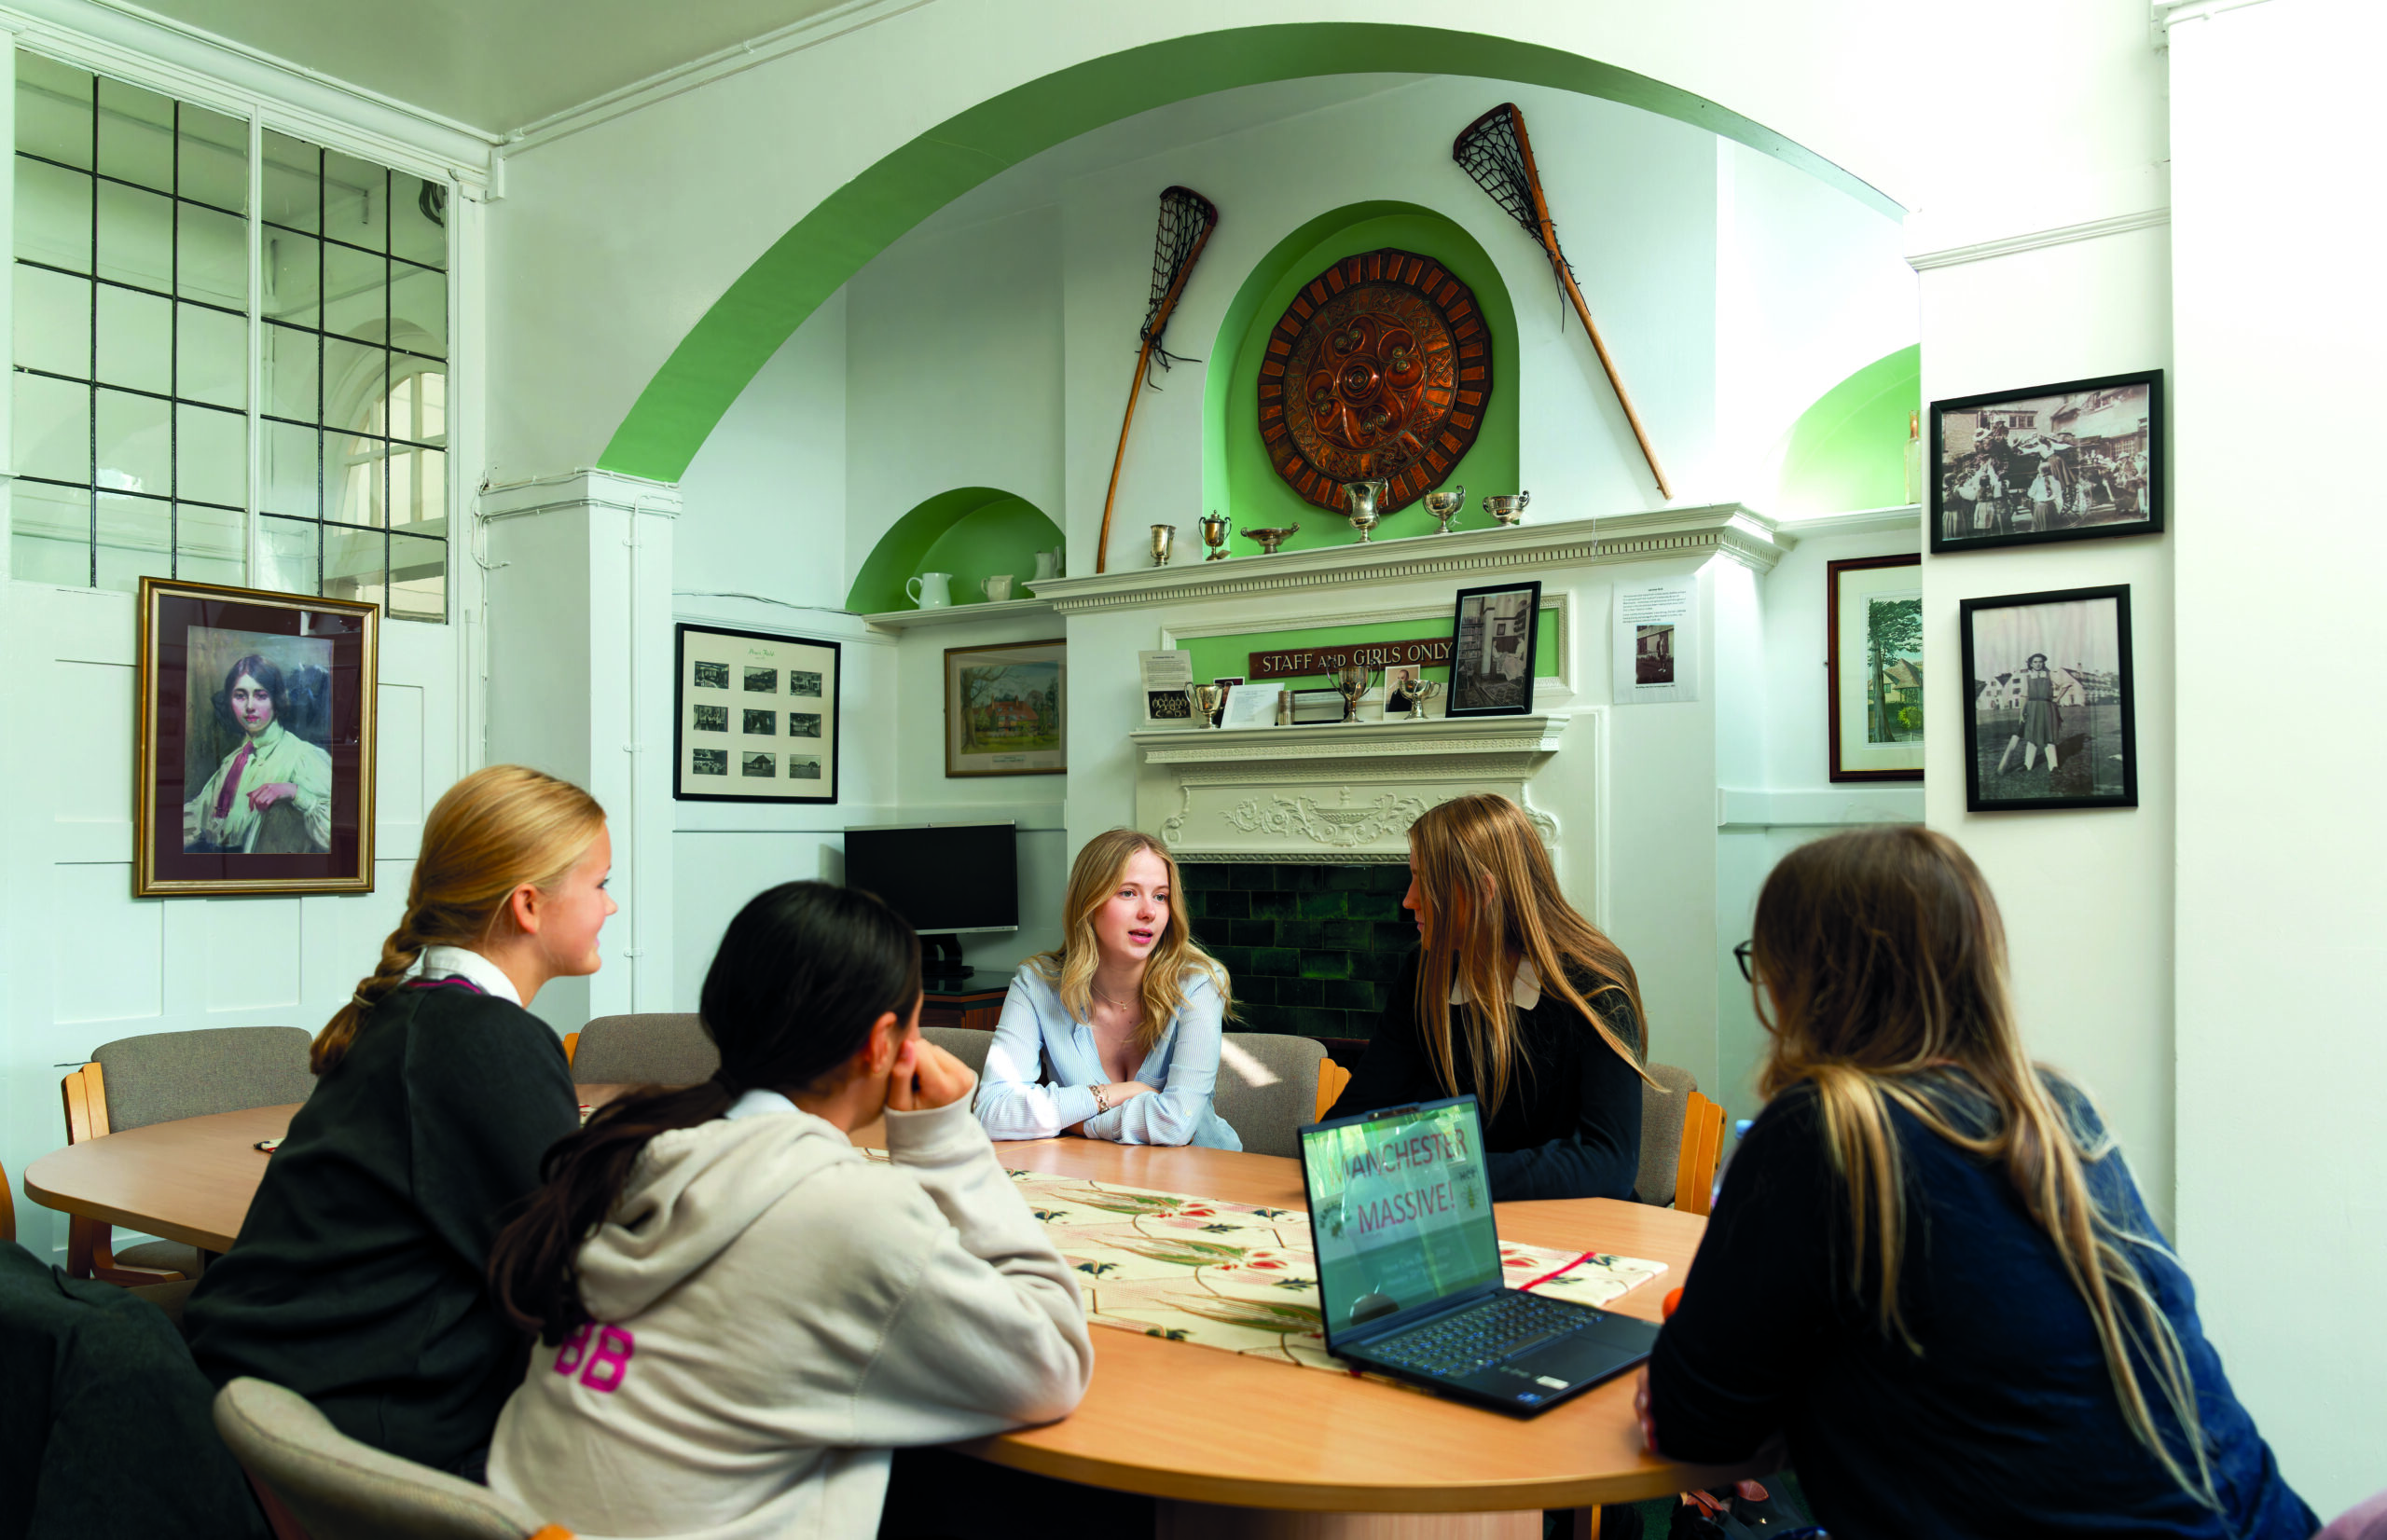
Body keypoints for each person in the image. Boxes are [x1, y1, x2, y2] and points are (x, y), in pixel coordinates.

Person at [1639, 827, 2317, 1539]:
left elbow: (1691, 1421)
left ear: (1814, 977)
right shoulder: (2057, 1114)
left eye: (1766, 962)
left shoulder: (1828, 1127)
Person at [485, 881, 1092, 1539]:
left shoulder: (631, 1148)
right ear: (882, 1042)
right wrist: (949, 1148)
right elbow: (1051, 1364)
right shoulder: (852, 1211)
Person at [185, 764, 613, 1478]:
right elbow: (563, 1273)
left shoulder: (413, 1014)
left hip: (275, 1397)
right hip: (369, 1431)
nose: (611, 906)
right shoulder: (484, 1036)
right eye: (600, 884)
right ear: (529, 906)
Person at [1323, 792, 1649, 1201]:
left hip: (1578, 1233)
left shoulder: (1595, 985)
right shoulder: (1426, 974)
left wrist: (1439, 1175)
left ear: (1482, 890)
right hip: (1457, 1222)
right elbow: (1344, 1131)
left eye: (1425, 880)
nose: (1408, 900)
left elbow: (1609, 1166)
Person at [974, 828, 1241, 1149]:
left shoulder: (1198, 983)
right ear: (1089, 902)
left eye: (1160, 896)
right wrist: (1113, 1094)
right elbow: (991, 1113)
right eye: (1128, 893)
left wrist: (1072, 1122)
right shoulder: (1037, 984)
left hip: (1205, 1181)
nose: (1149, 912)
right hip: (1096, 1177)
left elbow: (1174, 1126)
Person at [183, 653, 333, 854]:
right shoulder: (233, 761)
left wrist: (295, 793)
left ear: (277, 701)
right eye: (240, 696)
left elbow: (333, 835)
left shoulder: (303, 756)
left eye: (261, 696)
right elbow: (198, 815)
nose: (250, 707)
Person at [1994, 652, 2060, 777]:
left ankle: (2054, 766)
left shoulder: (2050, 675)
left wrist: (2057, 699)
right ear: (2030, 663)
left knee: (2049, 737)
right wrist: (2021, 713)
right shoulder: (2027, 677)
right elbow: (2024, 696)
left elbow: (2066, 684)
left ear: (2043, 663)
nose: (2038, 664)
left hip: (2047, 708)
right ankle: (2027, 765)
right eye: (2035, 662)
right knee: (2031, 737)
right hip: (2032, 708)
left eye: (2040, 661)